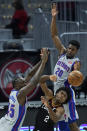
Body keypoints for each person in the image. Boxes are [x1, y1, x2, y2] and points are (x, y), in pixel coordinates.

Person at [0, 48, 49, 131]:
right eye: (22, 79)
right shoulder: (21, 93)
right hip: (9, 128)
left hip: (4, 122)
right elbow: (34, 81)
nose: (25, 79)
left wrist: (41, 61)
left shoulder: (15, 91)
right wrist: (44, 63)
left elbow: (30, 74)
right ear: (17, 83)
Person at [51, 3, 80, 131]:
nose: (69, 51)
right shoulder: (62, 53)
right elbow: (54, 36)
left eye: (72, 50)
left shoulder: (75, 62)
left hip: (66, 95)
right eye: (69, 48)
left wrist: (75, 74)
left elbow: (76, 74)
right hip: (57, 93)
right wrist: (53, 18)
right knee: (62, 124)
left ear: (76, 51)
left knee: (72, 125)